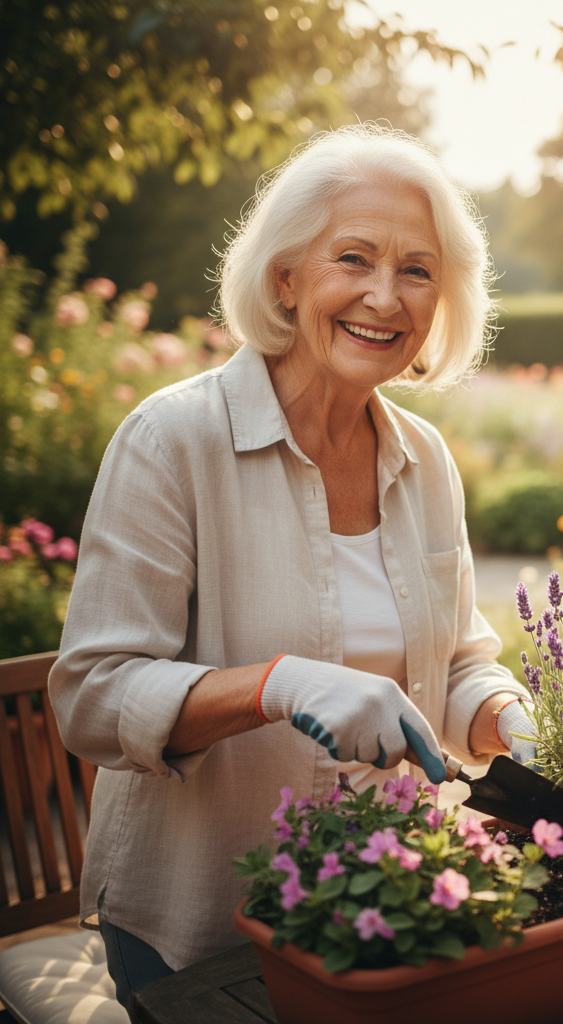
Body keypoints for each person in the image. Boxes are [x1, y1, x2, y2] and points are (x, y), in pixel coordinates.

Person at [48, 125, 533, 1008]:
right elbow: (90, 695)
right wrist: (276, 686)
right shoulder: (173, 441)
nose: (385, 298)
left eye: (417, 270)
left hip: (390, 906)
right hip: (205, 925)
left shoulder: (425, 460)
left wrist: (511, 717)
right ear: (286, 275)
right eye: (353, 258)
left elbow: (460, 662)